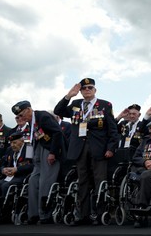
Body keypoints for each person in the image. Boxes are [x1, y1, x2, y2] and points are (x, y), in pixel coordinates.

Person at [54, 78, 118, 225]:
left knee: (99, 180)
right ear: (81, 91)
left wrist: (110, 148)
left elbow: (112, 129)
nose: (87, 90)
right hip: (80, 148)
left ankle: (99, 214)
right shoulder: (76, 104)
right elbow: (58, 111)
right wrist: (69, 96)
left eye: (90, 87)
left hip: (99, 149)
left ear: (95, 90)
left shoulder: (104, 105)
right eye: (84, 88)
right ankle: (83, 215)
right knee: (83, 181)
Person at [11, 100, 64, 224]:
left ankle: (44, 214)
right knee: (33, 180)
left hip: (49, 150)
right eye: (18, 116)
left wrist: (53, 152)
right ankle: (33, 214)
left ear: (29, 110)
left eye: (21, 114)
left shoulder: (42, 116)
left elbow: (57, 133)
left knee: (45, 181)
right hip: (38, 151)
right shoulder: (31, 121)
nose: (20, 118)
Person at [0, 131, 33, 199]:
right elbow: (3, 163)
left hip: (22, 176)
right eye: (11, 143)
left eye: (14, 143)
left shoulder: (29, 149)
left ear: (22, 141)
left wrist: (17, 169)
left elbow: (31, 166)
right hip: (9, 176)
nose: (12, 145)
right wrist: (3, 170)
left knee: (5, 186)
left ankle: (7, 206)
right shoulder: (9, 149)